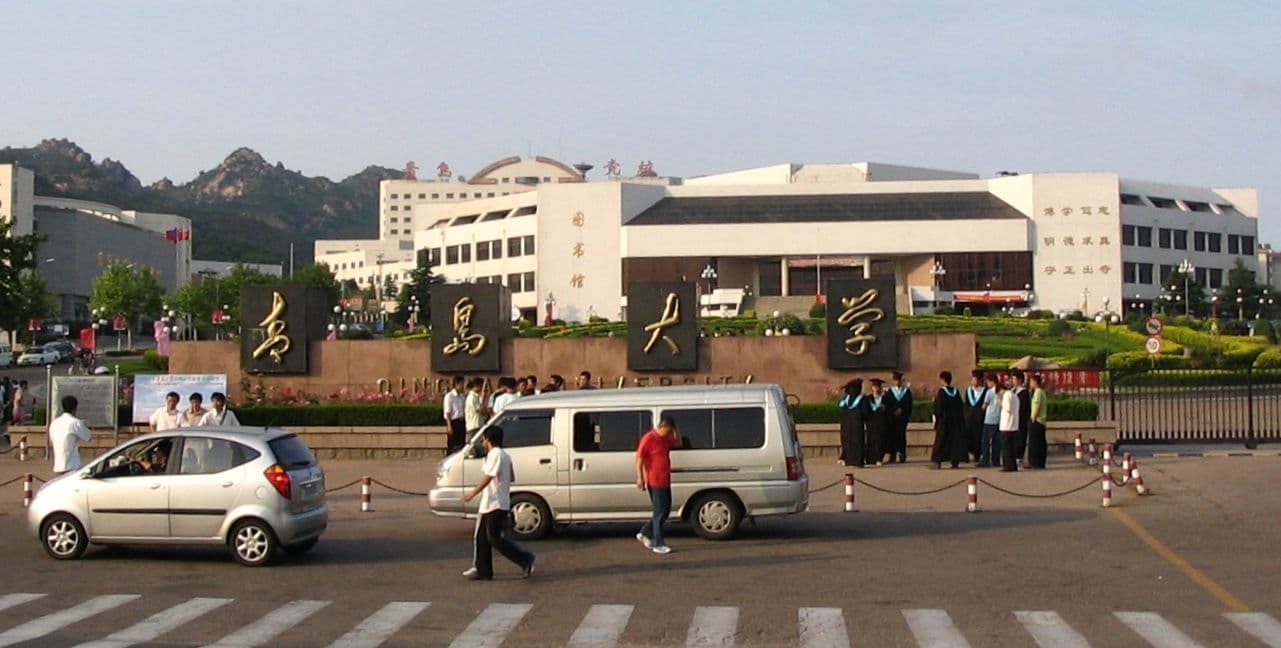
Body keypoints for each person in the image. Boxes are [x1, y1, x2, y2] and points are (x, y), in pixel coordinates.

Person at [461, 426, 536, 580]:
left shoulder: (495, 454)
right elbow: (512, 477)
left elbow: (488, 477)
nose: (482, 443)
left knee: (494, 538)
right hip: (492, 502)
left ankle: (525, 559)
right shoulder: (504, 455)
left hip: (495, 503)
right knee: (482, 538)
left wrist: (473, 493)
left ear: (488, 440)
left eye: (483, 439)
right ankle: (483, 570)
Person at [635, 416, 681, 554]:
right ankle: (658, 543)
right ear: (662, 426)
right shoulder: (649, 438)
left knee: (665, 511)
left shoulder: (665, 439)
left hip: (665, 480)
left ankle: (645, 532)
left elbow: (678, 442)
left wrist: (676, 430)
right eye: (668, 430)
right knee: (660, 512)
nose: (669, 433)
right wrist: (640, 478)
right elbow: (639, 459)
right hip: (654, 481)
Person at [930, 371, 967, 469]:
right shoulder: (956, 392)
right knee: (954, 441)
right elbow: (960, 406)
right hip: (955, 422)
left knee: (941, 441)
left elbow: (938, 408)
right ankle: (955, 462)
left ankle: (938, 461)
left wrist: (937, 420)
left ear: (942, 380)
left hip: (945, 422)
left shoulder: (942, 392)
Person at [49, 395, 92, 474]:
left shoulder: (54, 423)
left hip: (58, 466)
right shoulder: (75, 422)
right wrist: (85, 425)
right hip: (72, 466)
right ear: (75, 408)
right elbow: (88, 437)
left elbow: (52, 439)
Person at [836, 379, 867, 467]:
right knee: (857, 442)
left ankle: (849, 460)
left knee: (848, 441)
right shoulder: (862, 399)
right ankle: (857, 461)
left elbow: (841, 410)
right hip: (857, 425)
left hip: (846, 425)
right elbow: (866, 413)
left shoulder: (846, 400)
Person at [866, 378, 893, 466]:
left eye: (878, 387)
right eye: (874, 386)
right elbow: (865, 410)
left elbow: (890, 410)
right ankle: (870, 459)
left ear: (880, 388)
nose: (876, 388)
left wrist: (885, 408)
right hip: (871, 423)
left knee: (880, 441)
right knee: (871, 440)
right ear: (872, 388)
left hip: (881, 423)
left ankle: (879, 458)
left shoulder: (885, 399)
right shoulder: (868, 398)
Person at [963, 370, 988, 464]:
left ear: (980, 380)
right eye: (972, 380)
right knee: (968, 436)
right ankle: (968, 454)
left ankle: (978, 455)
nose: (973, 382)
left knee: (978, 437)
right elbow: (966, 404)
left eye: (975, 380)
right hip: (969, 418)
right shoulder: (969, 390)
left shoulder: (985, 391)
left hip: (980, 418)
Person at [887, 371, 912, 463]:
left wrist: (902, 410)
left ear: (901, 381)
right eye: (895, 380)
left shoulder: (906, 391)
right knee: (891, 436)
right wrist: (893, 411)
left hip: (902, 418)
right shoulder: (890, 392)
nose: (897, 382)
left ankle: (902, 454)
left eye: (898, 380)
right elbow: (887, 404)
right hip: (892, 418)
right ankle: (892, 455)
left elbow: (909, 404)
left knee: (901, 436)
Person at [979, 374, 1002, 468]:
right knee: (996, 442)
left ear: (992, 382)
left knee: (985, 441)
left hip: (989, 419)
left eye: (988, 382)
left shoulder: (989, 392)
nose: (987, 384)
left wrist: (981, 407)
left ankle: (985, 460)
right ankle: (996, 460)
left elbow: (984, 405)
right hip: (999, 419)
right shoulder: (1001, 391)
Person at [999, 378, 1021, 472]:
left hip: (1006, 425)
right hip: (1014, 425)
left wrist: (1001, 403)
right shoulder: (1015, 395)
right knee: (1011, 447)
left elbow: (1007, 408)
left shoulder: (1006, 395)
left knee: (1006, 447)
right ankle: (1013, 465)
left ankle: (1007, 466)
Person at [1027, 374, 1049, 469]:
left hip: (1037, 420)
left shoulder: (1038, 392)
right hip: (1041, 420)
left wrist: (1034, 417)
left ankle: (1034, 462)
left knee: (1035, 442)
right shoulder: (1041, 392)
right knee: (1040, 441)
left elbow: (1038, 405)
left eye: (1031, 381)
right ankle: (1039, 462)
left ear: (1035, 382)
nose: (1030, 383)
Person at [1011, 370, 1032, 468]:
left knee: (1020, 439)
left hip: (1020, 421)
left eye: (1014, 379)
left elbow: (1024, 409)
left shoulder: (1024, 393)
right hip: (1011, 421)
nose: (1012, 381)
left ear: (1019, 380)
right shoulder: (1012, 391)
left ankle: (1019, 459)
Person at [443, 376, 467, 453]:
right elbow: (447, 412)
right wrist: (449, 426)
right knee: (453, 445)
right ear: (457, 384)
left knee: (461, 444)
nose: (463, 386)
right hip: (453, 422)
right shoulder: (449, 396)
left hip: (461, 422)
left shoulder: (462, 396)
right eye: (462, 384)